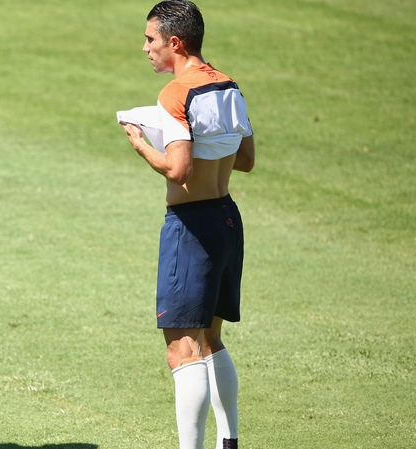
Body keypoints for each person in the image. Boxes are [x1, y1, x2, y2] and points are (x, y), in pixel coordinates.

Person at [119, 2, 255, 448]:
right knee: (211, 341)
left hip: (191, 228)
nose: (146, 48)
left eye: (150, 39)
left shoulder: (175, 94)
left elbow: (178, 170)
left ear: (174, 42)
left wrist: (141, 142)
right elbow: (246, 159)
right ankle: (228, 442)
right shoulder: (228, 85)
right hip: (227, 220)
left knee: (183, 350)